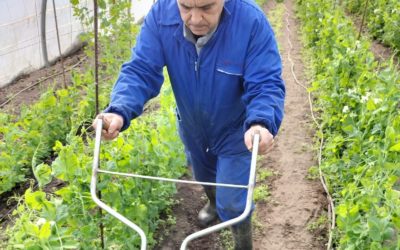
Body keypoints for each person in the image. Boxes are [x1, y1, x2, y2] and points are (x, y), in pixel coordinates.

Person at [93, 0, 285, 248]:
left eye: (206, 8)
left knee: (234, 203)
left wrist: (261, 121)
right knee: (204, 175)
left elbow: (266, 82)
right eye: (185, 7)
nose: (195, 19)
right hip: (193, 127)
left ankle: (242, 242)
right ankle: (214, 202)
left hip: (237, 131)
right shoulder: (161, 16)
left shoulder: (250, 22)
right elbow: (141, 69)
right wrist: (118, 111)